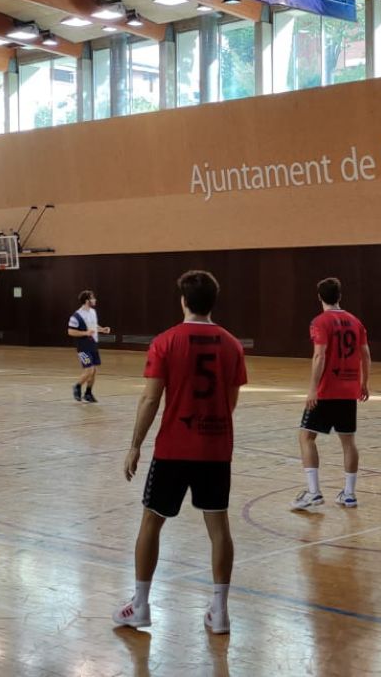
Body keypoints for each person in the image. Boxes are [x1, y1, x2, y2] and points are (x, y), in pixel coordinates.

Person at [114, 270, 247, 635]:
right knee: (218, 527)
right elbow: (230, 401)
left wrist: (135, 445)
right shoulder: (233, 344)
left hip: (173, 449)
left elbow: (151, 397)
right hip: (216, 450)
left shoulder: (166, 341)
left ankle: (140, 606)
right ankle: (219, 612)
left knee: (151, 523)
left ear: (183, 301)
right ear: (212, 302)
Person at [290, 278, 371, 511]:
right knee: (348, 442)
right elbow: (365, 354)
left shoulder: (320, 321)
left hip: (326, 391)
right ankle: (349, 494)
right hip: (348, 391)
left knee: (306, 437)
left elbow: (320, 355)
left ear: (319, 297)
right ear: (340, 296)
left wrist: (313, 388)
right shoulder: (355, 321)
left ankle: (314, 493)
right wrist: (364, 382)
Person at [67, 290, 110, 403]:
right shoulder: (76, 316)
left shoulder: (92, 312)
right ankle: (77, 386)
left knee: (94, 370)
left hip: (93, 345)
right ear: (87, 301)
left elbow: (93, 325)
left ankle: (88, 393)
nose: (95, 300)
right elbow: (70, 331)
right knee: (89, 369)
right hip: (83, 346)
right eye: (92, 298)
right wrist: (85, 333)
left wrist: (102, 329)